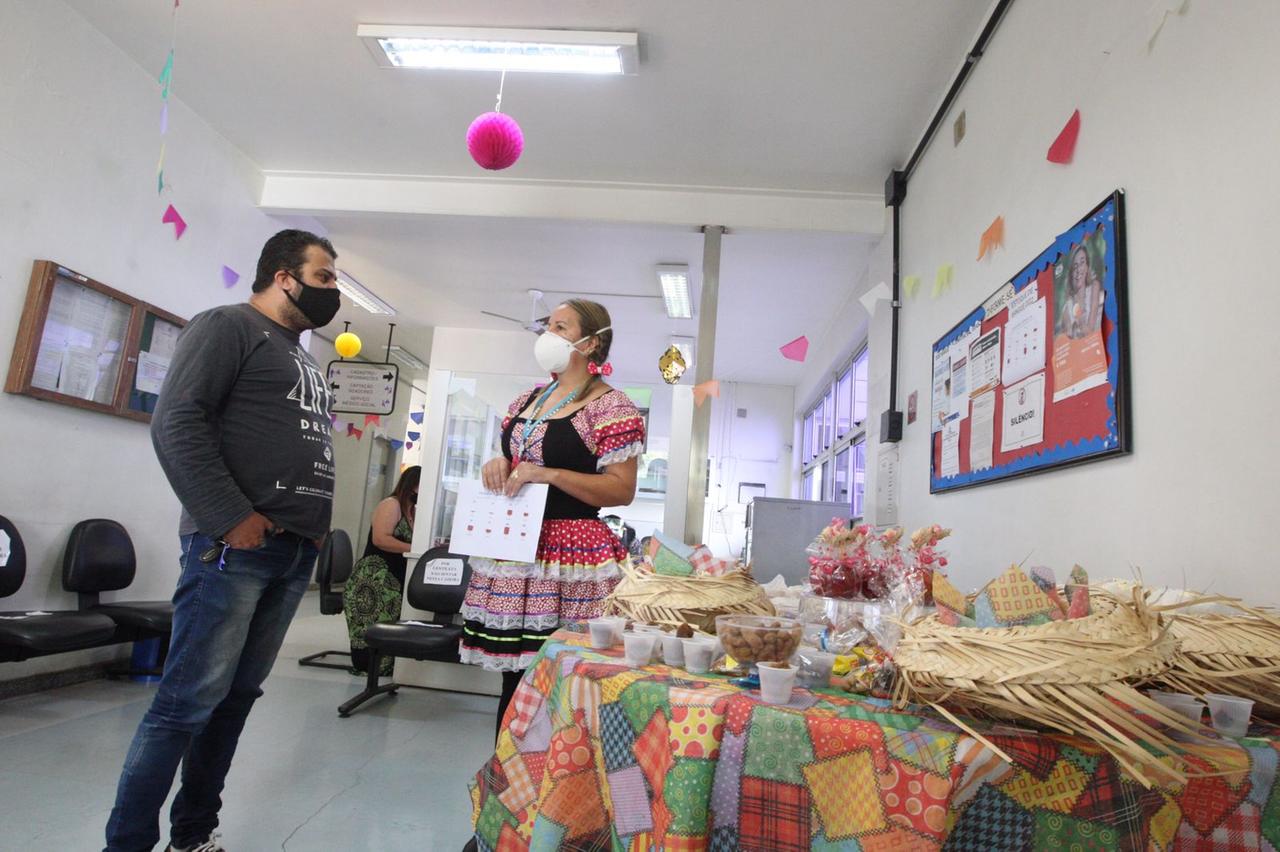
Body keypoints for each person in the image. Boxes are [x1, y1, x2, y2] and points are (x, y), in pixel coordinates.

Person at [105, 229, 341, 852]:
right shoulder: (225, 326)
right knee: (185, 704)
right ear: (284, 276)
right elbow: (176, 421)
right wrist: (229, 516)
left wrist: (310, 538)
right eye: (324, 277)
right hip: (234, 548)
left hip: (290, 552)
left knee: (234, 701)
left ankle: (193, 836)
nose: (333, 289)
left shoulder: (301, 354)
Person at [458, 299, 645, 738]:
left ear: (590, 343)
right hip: (516, 546)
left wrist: (551, 474)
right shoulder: (527, 400)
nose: (547, 335)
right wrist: (497, 464)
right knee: (515, 677)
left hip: (572, 554)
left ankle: (564, 780)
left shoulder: (610, 406)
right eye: (548, 325)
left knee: (568, 673)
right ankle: (509, 781)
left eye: (560, 327)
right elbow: (516, 464)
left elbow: (622, 489)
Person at [344, 465, 421, 675]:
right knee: (372, 626)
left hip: (394, 579)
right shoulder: (391, 504)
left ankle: (387, 667)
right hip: (374, 579)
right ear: (412, 486)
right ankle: (369, 668)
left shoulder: (412, 511)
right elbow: (381, 538)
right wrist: (416, 549)